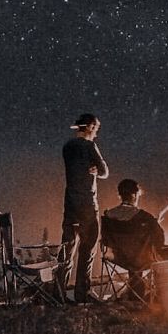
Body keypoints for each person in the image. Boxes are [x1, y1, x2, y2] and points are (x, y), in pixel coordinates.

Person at [56, 113, 109, 304]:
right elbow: (104, 171)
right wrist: (95, 168)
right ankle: (82, 293)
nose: (96, 133)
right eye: (96, 129)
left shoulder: (67, 147)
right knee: (87, 249)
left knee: (67, 248)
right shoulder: (89, 146)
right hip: (87, 203)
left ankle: (58, 293)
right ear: (90, 127)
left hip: (70, 203)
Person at [102, 179, 168, 301]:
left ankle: (134, 298)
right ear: (134, 195)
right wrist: (153, 225)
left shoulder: (108, 216)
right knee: (163, 257)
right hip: (139, 259)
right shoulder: (144, 217)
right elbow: (160, 239)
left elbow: (105, 241)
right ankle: (157, 298)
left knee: (134, 257)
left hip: (117, 257)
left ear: (120, 195)